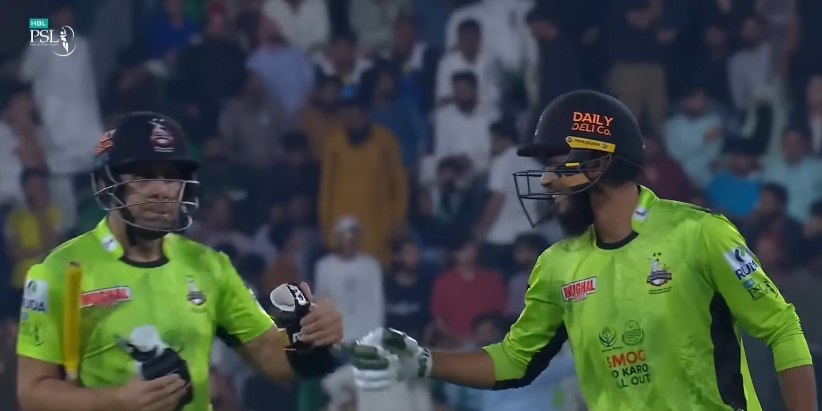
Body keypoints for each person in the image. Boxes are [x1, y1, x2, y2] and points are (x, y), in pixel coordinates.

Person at [347, 91, 817, 411]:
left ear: (600, 161)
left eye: (557, 165)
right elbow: (514, 361)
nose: (546, 181)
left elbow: (782, 329)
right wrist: (427, 361)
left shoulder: (700, 234)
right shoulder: (556, 266)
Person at [16, 112, 344, 411]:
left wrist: (311, 340)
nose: (161, 190)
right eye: (144, 176)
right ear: (106, 183)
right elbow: (32, 391)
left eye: (171, 177)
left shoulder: (210, 266)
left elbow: (270, 355)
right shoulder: (58, 270)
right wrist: (114, 402)